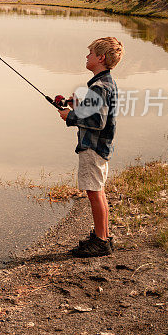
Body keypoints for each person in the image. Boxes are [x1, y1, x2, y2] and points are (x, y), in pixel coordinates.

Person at [58, 37, 123, 258]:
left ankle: (101, 241)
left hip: (93, 149)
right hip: (100, 147)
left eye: (91, 54)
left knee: (94, 193)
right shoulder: (105, 83)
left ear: (101, 58)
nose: (87, 57)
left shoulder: (99, 86)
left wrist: (71, 116)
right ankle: (101, 235)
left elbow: (98, 122)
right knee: (98, 192)